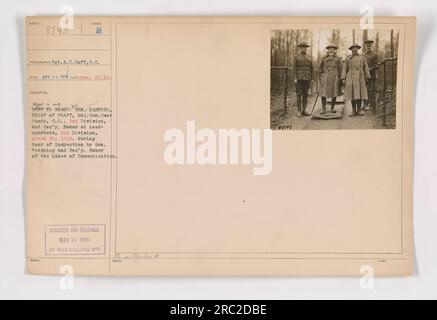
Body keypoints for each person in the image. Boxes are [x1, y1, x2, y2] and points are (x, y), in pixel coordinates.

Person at [342, 43, 371, 117]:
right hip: (351, 77)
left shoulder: (362, 57)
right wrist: (343, 78)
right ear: (351, 49)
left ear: (358, 49)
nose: (355, 49)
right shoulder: (347, 58)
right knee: (352, 94)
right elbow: (344, 69)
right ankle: (353, 110)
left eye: (356, 48)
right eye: (353, 48)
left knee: (359, 93)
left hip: (360, 77)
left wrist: (367, 76)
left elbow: (365, 67)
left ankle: (359, 110)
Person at [318, 43, 342, 114]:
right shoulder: (324, 58)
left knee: (334, 92)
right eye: (330, 48)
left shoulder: (338, 58)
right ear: (328, 50)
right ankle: (323, 109)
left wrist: (340, 78)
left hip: (335, 77)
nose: (331, 50)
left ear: (334, 50)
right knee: (323, 93)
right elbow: (320, 68)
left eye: (333, 48)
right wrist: (320, 77)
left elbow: (341, 69)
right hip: (326, 77)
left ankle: (332, 108)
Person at [292, 41, 314, 118]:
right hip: (299, 78)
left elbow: (312, 69)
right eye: (302, 47)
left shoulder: (309, 57)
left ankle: (304, 110)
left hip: (307, 78)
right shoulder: (296, 57)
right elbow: (294, 68)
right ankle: (299, 111)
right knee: (299, 94)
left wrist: (312, 78)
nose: (304, 49)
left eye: (305, 47)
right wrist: (295, 77)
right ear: (300, 48)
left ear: (306, 48)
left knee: (305, 94)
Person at [363, 39, 379, 111]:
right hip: (364, 76)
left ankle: (371, 104)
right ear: (365, 47)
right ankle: (365, 104)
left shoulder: (375, 55)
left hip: (372, 75)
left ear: (372, 46)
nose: (368, 47)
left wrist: (371, 68)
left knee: (371, 90)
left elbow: (377, 65)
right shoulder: (363, 55)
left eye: (369, 46)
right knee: (364, 90)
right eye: (367, 46)